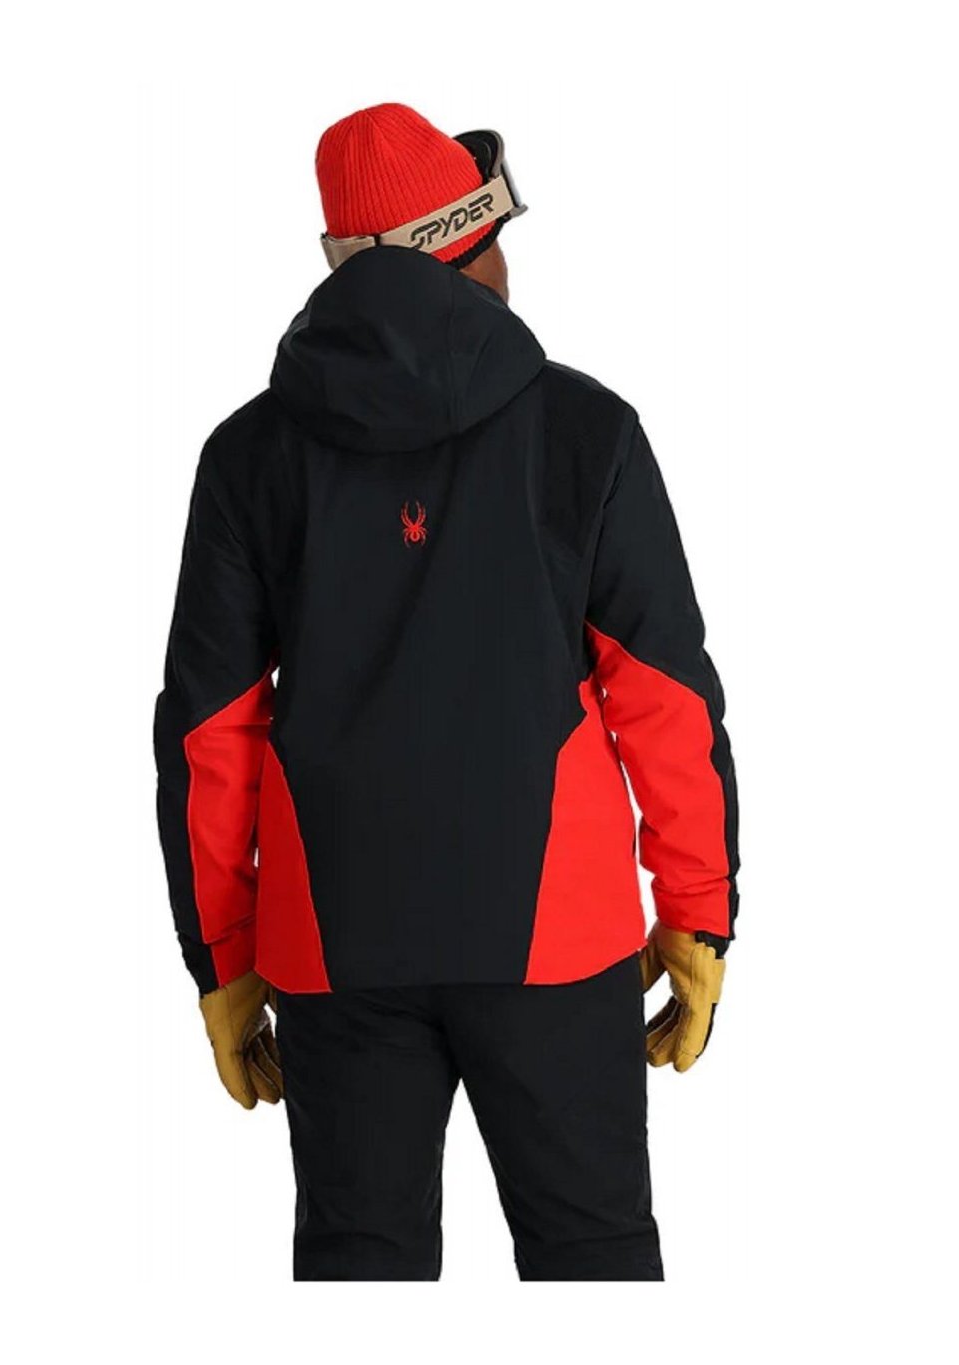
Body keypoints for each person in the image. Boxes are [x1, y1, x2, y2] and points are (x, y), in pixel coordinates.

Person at [154, 102, 739, 1282]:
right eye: (499, 239)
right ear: (464, 248)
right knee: (592, 1261)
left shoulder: (249, 455)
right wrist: (696, 910)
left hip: (331, 943)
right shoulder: (586, 431)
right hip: (556, 936)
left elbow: (210, 736)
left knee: (359, 1269)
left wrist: (223, 961)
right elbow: (663, 699)